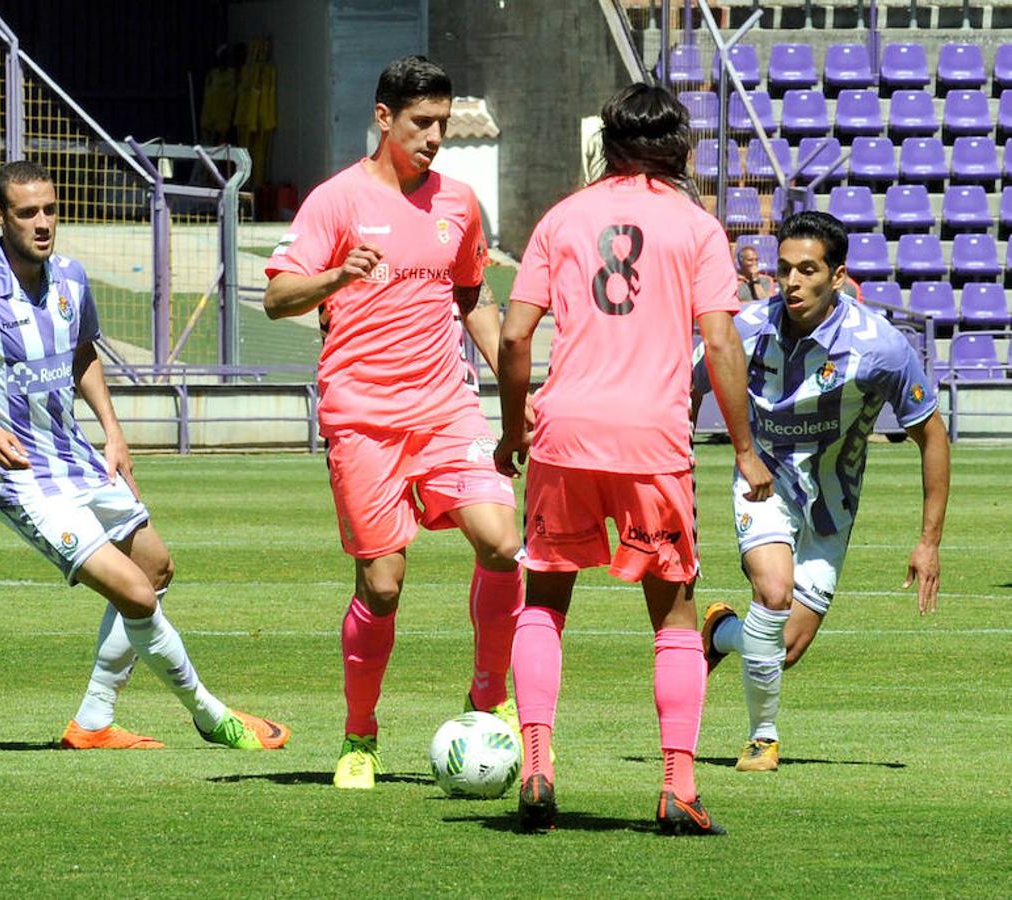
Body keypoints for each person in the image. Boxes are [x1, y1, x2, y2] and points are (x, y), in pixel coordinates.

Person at [0, 160, 290, 752]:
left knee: (156, 568)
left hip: (81, 460)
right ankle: (213, 717)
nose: (42, 223)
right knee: (133, 592)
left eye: (50, 210)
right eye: (27, 212)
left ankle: (92, 722)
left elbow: (84, 352)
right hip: (26, 482)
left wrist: (114, 432)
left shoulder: (71, 279)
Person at [494, 82, 773, 835]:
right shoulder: (695, 226)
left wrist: (512, 425)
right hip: (650, 439)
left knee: (544, 600)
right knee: (675, 614)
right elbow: (718, 342)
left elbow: (515, 336)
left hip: (565, 435)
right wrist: (743, 450)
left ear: (607, 148)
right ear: (677, 150)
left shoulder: (562, 216)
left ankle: (536, 767)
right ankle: (677, 789)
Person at [262, 56, 524, 790]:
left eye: (442, 123)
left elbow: (472, 296)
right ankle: (360, 735)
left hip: (445, 407)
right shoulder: (335, 202)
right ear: (384, 119)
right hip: (364, 417)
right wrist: (337, 276)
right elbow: (278, 297)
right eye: (421, 123)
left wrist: (513, 382)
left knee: (504, 544)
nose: (435, 137)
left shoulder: (461, 203)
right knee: (381, 586)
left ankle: (487, 695)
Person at [693, 210, 950, 773]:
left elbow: (932, 434)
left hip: (832, 505)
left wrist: (928, 541)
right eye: (784, 269)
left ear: (838, 277)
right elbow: (685, 390)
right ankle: (762, 737)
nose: (791, 282)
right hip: (762, 483)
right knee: (774, 591)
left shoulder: (880, 347)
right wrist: (675, 476)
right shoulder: (745, 328)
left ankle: (721, 632)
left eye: (807, 270)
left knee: (781, 648)